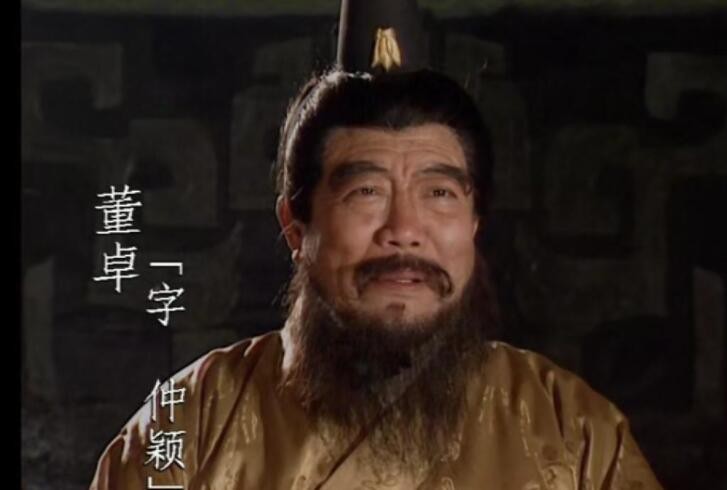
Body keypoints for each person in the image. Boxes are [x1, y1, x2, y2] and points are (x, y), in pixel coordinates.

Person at [90, 2, 664, 489]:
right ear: (295, 226)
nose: (404, 229)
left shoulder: (571, 431)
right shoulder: (186, 426)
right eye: (366, 192)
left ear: (475, 224)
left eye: (439, 193)